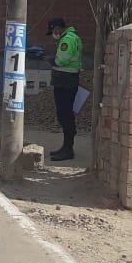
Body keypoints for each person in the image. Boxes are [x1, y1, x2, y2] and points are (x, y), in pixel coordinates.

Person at [47, 17, 81, 161]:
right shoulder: (71, 37)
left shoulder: (67, 39)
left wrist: (49, 59)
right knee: (64, 115)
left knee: (65, 115)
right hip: (66, 81)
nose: (54, 34)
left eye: (54, 31)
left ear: (58, 28)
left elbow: (61, 60)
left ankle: (68, 150)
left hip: (65, 82)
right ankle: (66, 147)